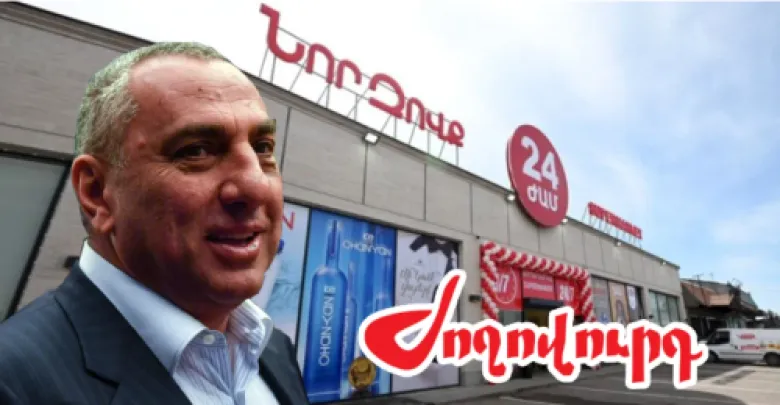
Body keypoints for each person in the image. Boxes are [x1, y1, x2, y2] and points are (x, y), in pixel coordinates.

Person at [0, 42, 309, 405]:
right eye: (196, 150)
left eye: (262, 148)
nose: (256, 186)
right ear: (97, 192)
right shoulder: (15, 383)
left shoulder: (274, 349)